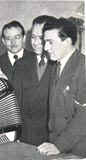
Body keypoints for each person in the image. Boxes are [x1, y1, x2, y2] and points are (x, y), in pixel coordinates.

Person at [38, 18, 86, 156]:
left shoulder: (83, 67)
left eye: (50, 42)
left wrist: (59, 145)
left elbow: (84, 117)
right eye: (45, 42)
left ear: (67, 41)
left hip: (77, 150)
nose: (46, 48)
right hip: (58, 145)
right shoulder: (57, 65)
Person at [12, 15, 57, 146]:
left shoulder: (59, 64)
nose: (36, 42)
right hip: (25, 138)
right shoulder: (20, 64)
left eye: (41, 38)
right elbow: (16, 104)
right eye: (33, 37)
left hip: (51, 140)